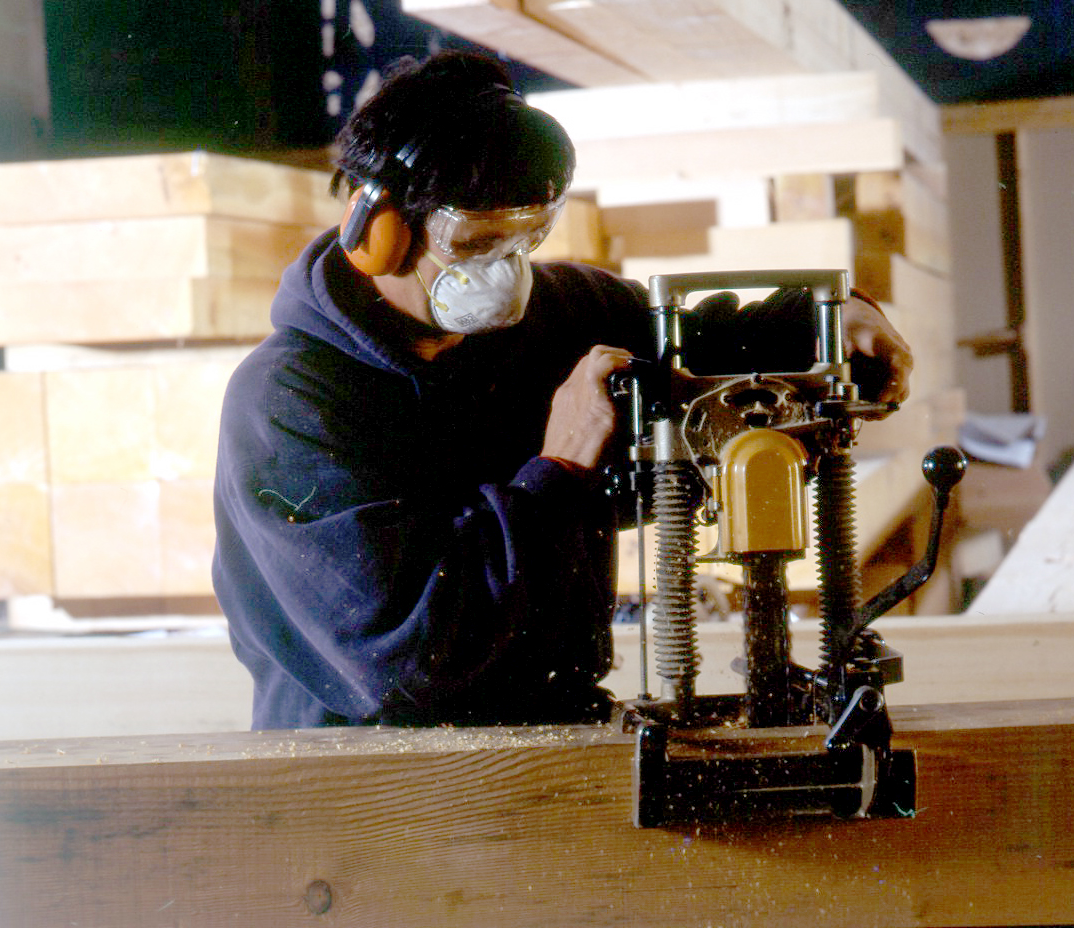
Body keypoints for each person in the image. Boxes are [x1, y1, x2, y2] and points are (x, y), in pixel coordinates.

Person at [212, 49, 913, 731]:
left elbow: (700, 348)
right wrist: (564, 465)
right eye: (474, 244)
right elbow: (411, 659)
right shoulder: (287, 406)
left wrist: (834, 324)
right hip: (372, 775)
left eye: (524, 240)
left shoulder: (558, 314)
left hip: (555, 727)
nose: (504, 275)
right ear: (378, 232)